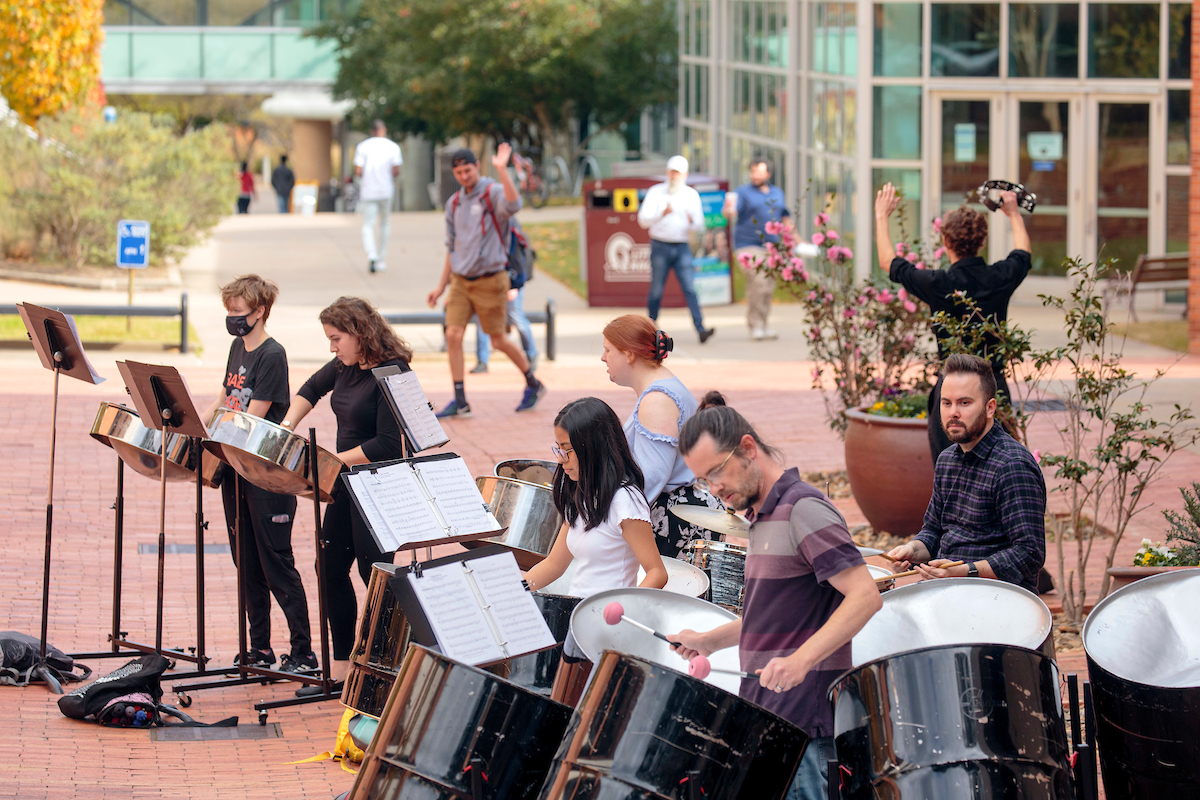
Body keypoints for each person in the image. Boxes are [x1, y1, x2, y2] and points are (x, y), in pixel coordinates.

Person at [668, 394, 882, 800]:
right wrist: (709, 641)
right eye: (703, 481)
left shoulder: (803, 509)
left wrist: (801, 659)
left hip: (807, 724)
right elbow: (775, 616)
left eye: (717, 473)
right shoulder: (763, 519)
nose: (714, 490)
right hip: (768, 718)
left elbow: (865, 596)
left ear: (748, 448)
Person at [280, 297, 413, 695]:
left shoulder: (392, 372)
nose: (332, 348)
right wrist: (288, 426)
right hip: (345, 483)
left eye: (337, 339)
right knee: (330, 569)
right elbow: (310, 388)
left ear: (360, 333)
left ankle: (379, 667)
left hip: (377, 486)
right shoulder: (344, 365)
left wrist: (331, 459)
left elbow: (389, 444)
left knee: (374, 577)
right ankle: (340, 670)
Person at [202, 275, 316, 674]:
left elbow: (253, 416)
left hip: (264, 473)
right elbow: (224, 400)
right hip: (234, 469)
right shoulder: (238, 347)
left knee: (275, 562)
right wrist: (197, 429)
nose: (233, 319)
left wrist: (219, 436)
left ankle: (303, 652)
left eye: (238, 313)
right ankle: (260, 647)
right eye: (229, 312)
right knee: (245, 561)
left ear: (260, 311)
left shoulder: (272, 354)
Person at [524, 397, 668, 705]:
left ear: (592, 446)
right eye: (558, 448)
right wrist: (517, 589)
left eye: (567, 449)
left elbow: (657, 573)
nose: (561, 458)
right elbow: (554, 565)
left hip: (606, 630)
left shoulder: (625, 502)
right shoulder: (583, 495)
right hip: (577, 620)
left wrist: (624, 615)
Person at [875, 182, 1031, 463]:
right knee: (999, 472)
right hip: (993, 391)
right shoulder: (999, 277)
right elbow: (1023, 255)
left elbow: (888, 262)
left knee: (951, 476)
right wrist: (1013, 214)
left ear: (946, 242)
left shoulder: (938, 284)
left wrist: (881, 216)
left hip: (952, 396)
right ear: (981, 241)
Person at [885, 354, 1047, 593]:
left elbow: (1029, 554)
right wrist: (912, 549)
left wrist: (965, 571)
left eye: (964, 403)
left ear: (990, 408)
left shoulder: (1012, 466)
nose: (953, 413)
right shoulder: (948, 459)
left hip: (999, 601)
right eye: (946, 403)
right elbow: (933, 531)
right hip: (948, 591)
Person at [427, 144, 546, 417]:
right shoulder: (454, 204)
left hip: (491, 280)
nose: (464, 177)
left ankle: (533, 382)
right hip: (460, 281)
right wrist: (440, 286)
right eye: (458, 172)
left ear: (477, 167)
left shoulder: (491, 192)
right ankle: (460, 399)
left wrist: (503, 169)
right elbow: (451, 248)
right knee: (453, 334)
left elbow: (514, 204)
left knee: (498, 340)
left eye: (467, 170)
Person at [601, 314, 723, 557]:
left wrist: (607, 521)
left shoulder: (657, 400)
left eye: (608, 350)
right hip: (678, 513)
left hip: (674, 519)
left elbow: (651, 478)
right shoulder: (661, 390)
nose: (603, 357)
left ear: (628, 354)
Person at [636, 155, 715, 344]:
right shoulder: (656, 192)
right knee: (656, 290)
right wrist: (660, 214)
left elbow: (699, 225)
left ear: (685, 174)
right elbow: (643, 220)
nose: (674, 176)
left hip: (681, 247)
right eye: (672, 172)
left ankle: (700, 328)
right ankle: (650, 331)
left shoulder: (690, 195)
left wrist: (691, 221)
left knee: (690, 288)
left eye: (678, 173)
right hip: (660, 245)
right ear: (667, 173)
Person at [724, 159, 789, 341]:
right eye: (753, 172)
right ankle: (755, 325)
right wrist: (728, 211)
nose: (755, 175)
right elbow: (731, 210)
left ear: (768, 174)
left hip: (771, 246)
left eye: (759, 172)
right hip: (747, 245)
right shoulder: (742, 192)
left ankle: (764, 323)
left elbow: (784, 215)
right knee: (758, 281)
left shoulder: (777, 192)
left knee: (768, 285)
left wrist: (796, 239)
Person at [471, 217, 538, 373]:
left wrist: (514, 286)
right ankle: (482, 360)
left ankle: (531, 354)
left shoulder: (509, 225)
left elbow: (519, 258)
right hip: (489, 282)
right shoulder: (483, 226)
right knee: (482, 320)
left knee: (516, 318)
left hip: (513, 280)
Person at [354, 120, 403, 273]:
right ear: (384, 130)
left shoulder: (363, 146)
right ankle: (381, 258)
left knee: (368, 224)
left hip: (368, 191)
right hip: (386, 190)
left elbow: (358, 170)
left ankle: (372, 254)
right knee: (385, 223)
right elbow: (396, 170)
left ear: (371, 130)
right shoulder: (393, 147)